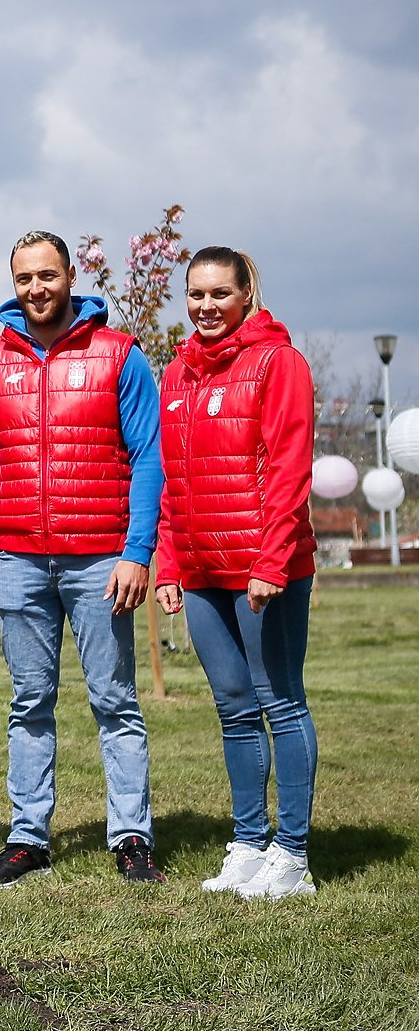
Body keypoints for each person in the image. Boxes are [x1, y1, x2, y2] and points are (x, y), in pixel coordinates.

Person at [0, 230, 165, 886]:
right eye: (24, 278)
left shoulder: (119, 354)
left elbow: (148, 457)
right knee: (28, 701)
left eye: (48, 274)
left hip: (102, 560)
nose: (37, 288)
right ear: (13, 283)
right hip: (16, 559)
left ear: (72, 275)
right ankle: (28, 838)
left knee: (116, 700)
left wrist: (137, 551)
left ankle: (131, 836)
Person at [154, 247, 318, 899]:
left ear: (247, 292)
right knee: (233, 709)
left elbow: (288, 471)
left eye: (220, 293)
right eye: (196, 294)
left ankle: (294, 854)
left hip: (263, 571)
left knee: (280, 700)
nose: (206, 306)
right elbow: (173, 479)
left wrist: (273, 561)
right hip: (200, 571)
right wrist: (170, 561)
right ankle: (249, 843)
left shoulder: (280, 363)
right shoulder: (176, 375)